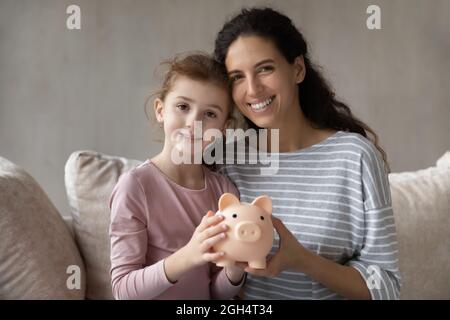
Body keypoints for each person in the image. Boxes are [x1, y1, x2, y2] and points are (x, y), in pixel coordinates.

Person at [213, 7, 401, 299]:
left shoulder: (355, 157)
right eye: (237, 77)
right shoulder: (225, 159)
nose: (253, 89)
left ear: (298, 69)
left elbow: (386, 285)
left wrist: (303, 260)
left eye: (265, 68)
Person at [109, 53, 246, 299]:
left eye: (210, 114)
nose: (194, 122)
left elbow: (214, 293)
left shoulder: (225, 192)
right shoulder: (135, 187)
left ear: (224, 128)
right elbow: (123, 291)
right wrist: (189, 255)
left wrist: (234, 270)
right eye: (183, 107)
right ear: (161, 110)